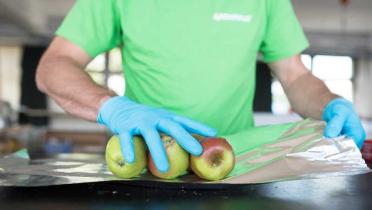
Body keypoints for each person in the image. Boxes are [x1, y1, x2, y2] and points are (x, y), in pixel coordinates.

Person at [36, 0, 366, 173]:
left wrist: (329, 103)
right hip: (146, 169)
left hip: (237, 169)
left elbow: (295, 76)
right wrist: (111, 106)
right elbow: (54, 66)